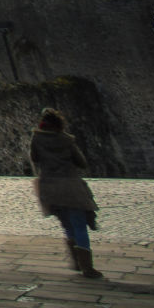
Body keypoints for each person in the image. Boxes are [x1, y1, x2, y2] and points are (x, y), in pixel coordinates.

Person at [30, 109, 103, 279]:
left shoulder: (37, 139)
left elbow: (34, 159)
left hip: (50, 186)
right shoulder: (67, 140)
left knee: (67, 225)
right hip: (71, 186)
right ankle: (87, 267)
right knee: (79, 225)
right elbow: (81, 162)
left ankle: (77, 261)